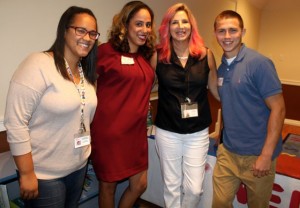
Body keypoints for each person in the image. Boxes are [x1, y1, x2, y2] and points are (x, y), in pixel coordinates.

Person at [4, 6, 99, 207]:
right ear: (64, 31)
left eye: (92, 33)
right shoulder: (38, 63)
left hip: (79, 167)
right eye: (80, 30)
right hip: (45, 174)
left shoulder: (86, 73)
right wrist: (28, 173)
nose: (87, 37)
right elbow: (15, 121)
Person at [212, 10, 286, 208]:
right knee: (219, 203)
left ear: (243, 32)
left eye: (233, 30)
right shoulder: (221, 68)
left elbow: (278, 109)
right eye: (222, 31)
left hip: (257, 154)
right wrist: (218, 135)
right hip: (228, 153)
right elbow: (230, 103)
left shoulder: (259, 63)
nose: (227, 36)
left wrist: (266, 155)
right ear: (215, 34)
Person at [90, 1, 156, 208]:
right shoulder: (105, 52)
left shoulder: (145, 56)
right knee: (107, 187)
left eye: (148, 24)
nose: (144, 30)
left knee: (140, 185)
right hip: (110, 133)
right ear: (125, 25)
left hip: (136, 134)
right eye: (138, 24)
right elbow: (87, 87)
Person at [154, 3, 219, 208]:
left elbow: (217, 91)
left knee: (194, 189)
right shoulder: (158, 56)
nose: (180, 26)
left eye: (185, 21)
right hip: (167, 131)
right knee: (171, 186)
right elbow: (144, 88)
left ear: (192, 26)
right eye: (175, 22)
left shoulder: (205, 54)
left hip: (197, 132)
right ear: (167, 27)